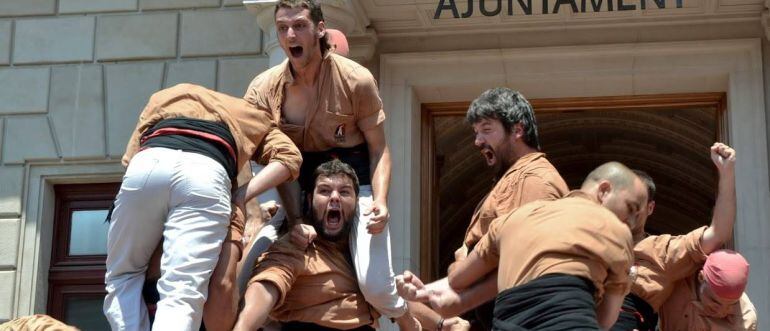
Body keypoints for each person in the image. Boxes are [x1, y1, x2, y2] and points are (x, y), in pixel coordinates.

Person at [242, 0, 415, 327]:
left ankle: (406, 315)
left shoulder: (356, 80)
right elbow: (250, 152)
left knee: (375, 285)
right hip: (293, 181)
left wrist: (379, 201)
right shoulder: (263, 88)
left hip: (353, 182)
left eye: (300, 26)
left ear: (320, 29)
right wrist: (268, 215)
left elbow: (380, 150)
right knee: (252, 261)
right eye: (282, 28)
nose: (290, 34)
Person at [103, 84, 301, 331]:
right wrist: (242, 194)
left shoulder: (165, 96)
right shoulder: (252, 112)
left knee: (122, 277)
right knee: (182, 290)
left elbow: (130, 161)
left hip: (149, 161)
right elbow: (290, 158)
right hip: (207, 171)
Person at [396, 87, 569, 328]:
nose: (478, 141)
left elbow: (520, 266)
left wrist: (456, 300)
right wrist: (429, 291)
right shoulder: (512, 179)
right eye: (476, 132)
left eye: (487, 130)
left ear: (517, 130)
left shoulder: (534, 181)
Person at [442, 162, 647, 330]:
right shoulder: (615, 230)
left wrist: (459, 261)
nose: (631, 221)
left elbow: (457, 279)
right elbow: (603, 323)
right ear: (603, 190)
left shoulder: (511, 220)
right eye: (631, 208)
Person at [233, 160, 416, 330]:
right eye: (325, 191)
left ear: (357, 203)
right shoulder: (297, 246)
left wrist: (432, 324)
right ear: (310, 199)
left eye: (344, 192)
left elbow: (395, 301)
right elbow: (265, 286)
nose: (335, 197)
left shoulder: (366, 258)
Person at [615, 143, 758, 330]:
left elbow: (718, 233)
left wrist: (727, 172)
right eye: (621, 201)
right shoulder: (583, 240)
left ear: (650, 208)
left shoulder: (662, 252)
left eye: (636, 203)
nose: (628, 210)